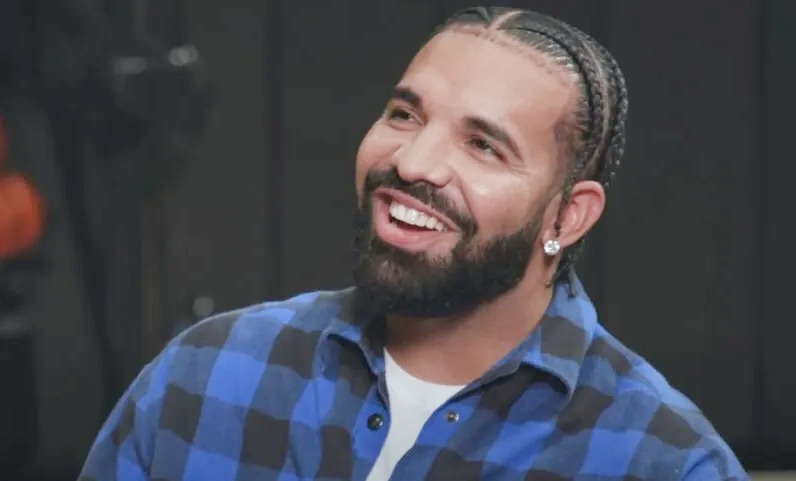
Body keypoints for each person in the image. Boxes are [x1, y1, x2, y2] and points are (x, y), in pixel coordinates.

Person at [79, 6, 748, 481]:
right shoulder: (203, 377)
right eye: (405, 114)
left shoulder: (662, 459)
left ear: (568, 217)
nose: (414, 161)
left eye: (483, 145)